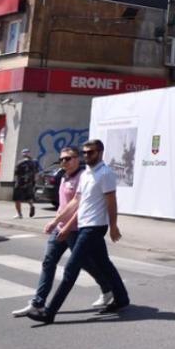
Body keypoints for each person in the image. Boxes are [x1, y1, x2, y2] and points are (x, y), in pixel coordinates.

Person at [26, 139, 129, 325]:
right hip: (84, 225)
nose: (87, 156)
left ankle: (49, 312)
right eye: (85, 152)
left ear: (100, 152)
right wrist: (56, 221)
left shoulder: (105, 174)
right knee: (104, 264)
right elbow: (76, 201)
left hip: (94, 227)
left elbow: (111, 202)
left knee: (71, 269)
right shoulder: (86, 174)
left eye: (91, 152)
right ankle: (122, 298)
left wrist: (113, 226)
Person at [12, 147, 113, 319]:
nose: (64, 162)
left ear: (77, 159)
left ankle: (107, 289)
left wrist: (67, 227)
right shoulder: (63, 176)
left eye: (68, 158)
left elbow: (81, 207)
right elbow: (64, 204)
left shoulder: (84, 176)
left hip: (76, 230)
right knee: (48, 262)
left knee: (85, 264)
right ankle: (38, 303)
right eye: (62, 159)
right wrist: (55, 222)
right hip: (61, 228)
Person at [13, 149, 40, 219]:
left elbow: (16, 172)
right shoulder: (34, 162)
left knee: (17, 199)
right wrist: (34, 182)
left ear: (23, 154)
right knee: (28, 197)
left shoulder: (20, 163)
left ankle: (19, 214)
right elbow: (36, 173)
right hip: (29, 183)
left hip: (20, 183)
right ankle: (31, 206)